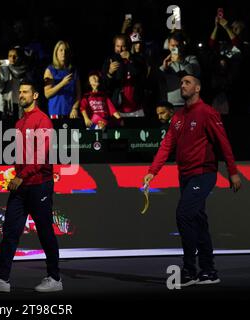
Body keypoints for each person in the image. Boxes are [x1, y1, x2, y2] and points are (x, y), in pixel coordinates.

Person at [143, 73, 241, 287]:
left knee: (184, 214)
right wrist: (153, 171)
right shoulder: (178, 117)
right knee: (198, 220)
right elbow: (167, 145)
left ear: (197, 88)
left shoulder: (207, 112)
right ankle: (209, 271)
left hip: (203, 174)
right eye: (181, 82)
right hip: (185, 175)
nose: (183, 85)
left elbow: (224, 143)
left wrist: (232, 171)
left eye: (187, 82)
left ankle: (189, 270)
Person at [0, 80, 62, 293]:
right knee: (10, 232)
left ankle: (55, 278)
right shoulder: (19, 123)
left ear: (35, 96)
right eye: (20, 92)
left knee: (45, 232)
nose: (21, 95)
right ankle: (2, 279)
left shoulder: (43, 121)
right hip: (21, 186)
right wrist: (16, 175)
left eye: (25, 92)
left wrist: (21, 176)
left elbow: (41, 157)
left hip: (39, 185)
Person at [102, 34, 146, 117]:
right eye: (117, 46)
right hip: (117, 109)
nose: (120, 49)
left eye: (123, 46)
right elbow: (104, 86)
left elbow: (142, 79)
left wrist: (131, 60)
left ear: (128, 46)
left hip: (137, 109)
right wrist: (110, 73)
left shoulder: (138, 59)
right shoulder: (110, 60)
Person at [159, 32, 201, 108]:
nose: (176, 49)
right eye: (173, 46)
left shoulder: (191, 58)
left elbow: (195, 74)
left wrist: (181, 61)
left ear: (183, 45)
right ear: (168, 46)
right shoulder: (165, 61)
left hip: (188, 103)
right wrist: (163, 68)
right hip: (171, 104)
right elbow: (158, 81)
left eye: (178, 46)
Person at [44, 40, 81, 119]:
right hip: (56, 112)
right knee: (58, 132)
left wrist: (75, 108)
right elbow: (47, 94)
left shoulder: (73, 70)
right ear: (56, 52)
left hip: (71, 113)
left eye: (66, 50)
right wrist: (62, 83)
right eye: (61, 50)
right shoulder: (50, 70)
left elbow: (78, 93)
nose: (63, 53)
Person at [0, 47, 31, 120]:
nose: (12, 58)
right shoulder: (4, 68)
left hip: (21, 106)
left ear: (20, 57)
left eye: (15, 56)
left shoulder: (26, 70)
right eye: (10, 56)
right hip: (6, 106)